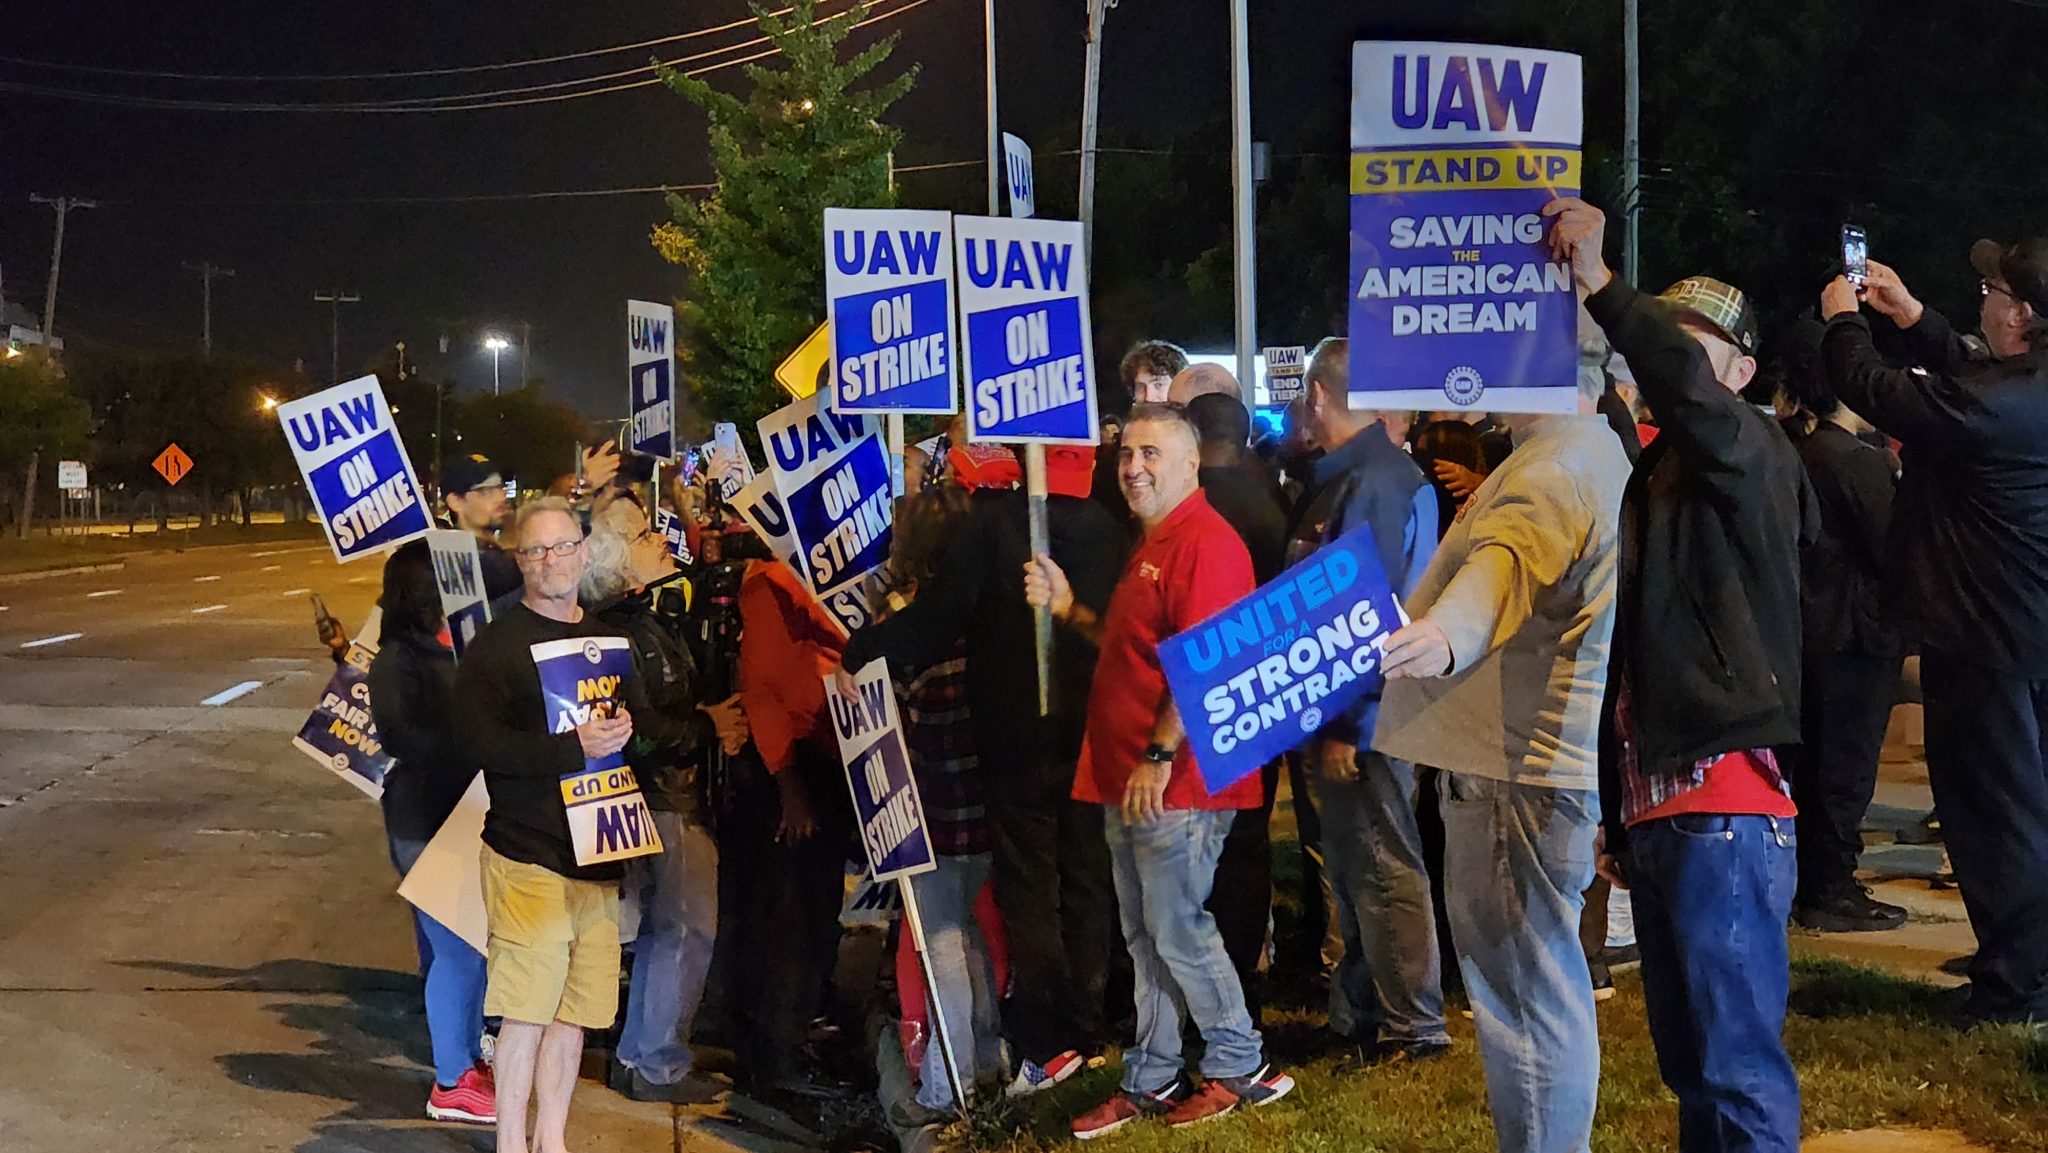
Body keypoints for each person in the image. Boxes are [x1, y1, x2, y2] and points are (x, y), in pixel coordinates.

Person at [1553, 196, 1814, 1151]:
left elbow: (1682, 391)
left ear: (1743, 373)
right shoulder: (1659, 474)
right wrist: (1619, 820)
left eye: (1697, 341)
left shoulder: (1751, 449)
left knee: (1735, 1070)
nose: (1675, 352)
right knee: (1692, 1070)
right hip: (1666, 812)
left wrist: (1609, 288)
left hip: (1726, 808)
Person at [1373, 352, 1631, 1153]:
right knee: (1547, 993)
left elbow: (1510, 556)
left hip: (1512, 778)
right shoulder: (1597, 450)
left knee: (1524, 1003)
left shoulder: (1551, 464)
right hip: (1547, 769)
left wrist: (1447, 635)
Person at [1026, 404, 1295, 1138]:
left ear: (1188, 464)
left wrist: (1158, 753)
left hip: (1176, 779)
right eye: (1126, 454)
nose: (1134, 466)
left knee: (1176, 926)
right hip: (1131, 774)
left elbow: (1206, 662)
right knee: (1146, 931)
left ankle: (1243, 1065)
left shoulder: (1204, 543)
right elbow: (1135, 649)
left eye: (1151, 453)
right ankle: (1154, 1072)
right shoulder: (1157, 542)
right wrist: (1070, 607)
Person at [836, 445, 1126, 1091]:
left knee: (1031, 888)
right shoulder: (1111, 526)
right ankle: (1087, 1027)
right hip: (1092, 733)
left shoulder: (996, 528)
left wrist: (865, 649)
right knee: (1085, 880)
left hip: (1017, 736)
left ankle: (1051, 1041)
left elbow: (937, 621)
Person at [1819, 238, 2048, 1024]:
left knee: (1997, 816)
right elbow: (1970, 371)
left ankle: (2016, 988)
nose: (1982, 299)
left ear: (2020, 311)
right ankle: (2020, 962)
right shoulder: (2021, 388)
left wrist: (1844, 322)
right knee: (2024, 807)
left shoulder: (2006, 403)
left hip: (1987, 634)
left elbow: (1878, 391)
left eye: (1990, 287)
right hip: (2017, 630)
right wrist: (1914, 317)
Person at [453, 496, 685, 1153]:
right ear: (521, 561)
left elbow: (637, 726)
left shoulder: (611, 640)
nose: (551, 561)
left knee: (575, 1012)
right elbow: (475, 744)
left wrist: (633, 733)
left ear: (584, 552)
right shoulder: (497, 646)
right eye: (537, 550)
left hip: (600, 855)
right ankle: (510, 1142)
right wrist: (571, 748)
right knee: (525, 1010)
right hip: (527, 854)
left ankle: (551, 1137)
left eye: (562, 547)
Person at [1294, 338, 1448, 1063]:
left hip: (1373, 709)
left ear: (1318, 395)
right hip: (1361, 706)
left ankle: (1413, 1027)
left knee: (1385, 862)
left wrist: (1351, 722)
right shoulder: (1362, 476)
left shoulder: (1373, 481)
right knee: (1360, 867)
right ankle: (1364, 1014)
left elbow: (1364, 608)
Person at [579, 495, 748, 1103]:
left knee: (670, 930)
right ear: (622, 564)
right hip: (663, 799)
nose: (661, 539)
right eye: (647, 535)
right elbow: (639, 725)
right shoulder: (624, 631)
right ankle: (657, 1064)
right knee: (684, 929)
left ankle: (645, 1052)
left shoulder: (639, 619)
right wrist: (708, 727)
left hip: (668, 795)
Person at [854, 484, 1010, 1127]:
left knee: (942, 940)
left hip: (936, 798)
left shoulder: (918, 625)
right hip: (986, 795)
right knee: (968, 936)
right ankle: (985, 1058)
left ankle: (952, 1083)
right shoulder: (985, 608)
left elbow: (882, 683)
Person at [1776, 319, 1907, 934]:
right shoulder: (1855, 460)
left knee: (1812, 763)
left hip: (1807, 633)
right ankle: (1832, 887)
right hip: (1856, 636)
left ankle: (1809, 882)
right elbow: (1896, 551)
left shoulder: (1798, 450)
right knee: (1846, 767)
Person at [368, 540, 494, 1126]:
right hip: (423, 821)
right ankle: (451, 1080)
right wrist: (472, 743)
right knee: (456, 953)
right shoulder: (398, 657)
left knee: (474, 949)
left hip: (465, 815)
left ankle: (468, 1061)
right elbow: (399, 737)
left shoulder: (459, 643)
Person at [730, 541, 856, 1096]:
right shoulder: (770, 584)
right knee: (792, 915)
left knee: (816, 906)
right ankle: (778, 1055)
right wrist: (788, 784)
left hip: (823, 756)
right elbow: (760, 689)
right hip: (794, 766)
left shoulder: (808, 579)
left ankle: (794, 1033)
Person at [1184, 390, 1287, 1025]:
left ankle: (1207, 976)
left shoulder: (1190, 507)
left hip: (1198, 690)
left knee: (1196, 843)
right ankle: (1244, 966)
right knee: (1248, 837)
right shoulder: (1271, 502)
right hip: (1263, 687)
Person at [1094, 341, 1190, 522]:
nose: (1149, 397)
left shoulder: (1195, 439)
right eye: (1140, 387)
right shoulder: (1117, 450)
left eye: (1158, 385)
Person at [441, 454, 523, 602]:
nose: (501, 497)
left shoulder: (497, 551)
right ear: (455, 502)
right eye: (486, 491)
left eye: (501, 487)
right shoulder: (457, 566)